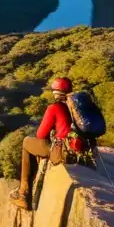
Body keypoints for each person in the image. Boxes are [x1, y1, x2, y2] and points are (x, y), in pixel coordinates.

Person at [12, 76, 74, 210]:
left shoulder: (55, 107)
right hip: (80, 150)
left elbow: (41, 134)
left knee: (27, 142)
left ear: (55, 92)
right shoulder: (74, 106)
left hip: (62, 152)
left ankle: (24, 193)